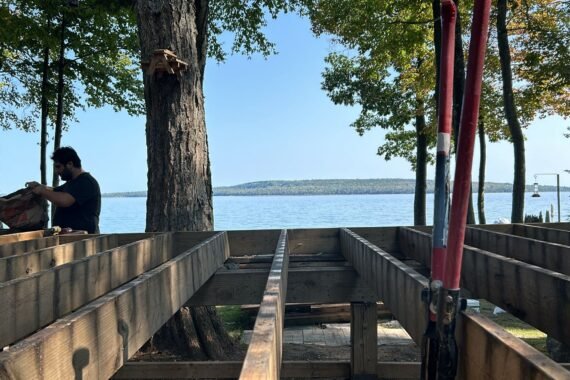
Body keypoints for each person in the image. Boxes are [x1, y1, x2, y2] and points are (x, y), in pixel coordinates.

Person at [26, 147, 101, 233]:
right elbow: (55, 191)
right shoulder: (72, 183)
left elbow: (64, 200)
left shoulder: (86, 182)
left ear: (70, 164)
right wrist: (39, 186)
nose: (56, 172)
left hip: (83, 240)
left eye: (58, 167)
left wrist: (42, 191)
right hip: (69, 239)